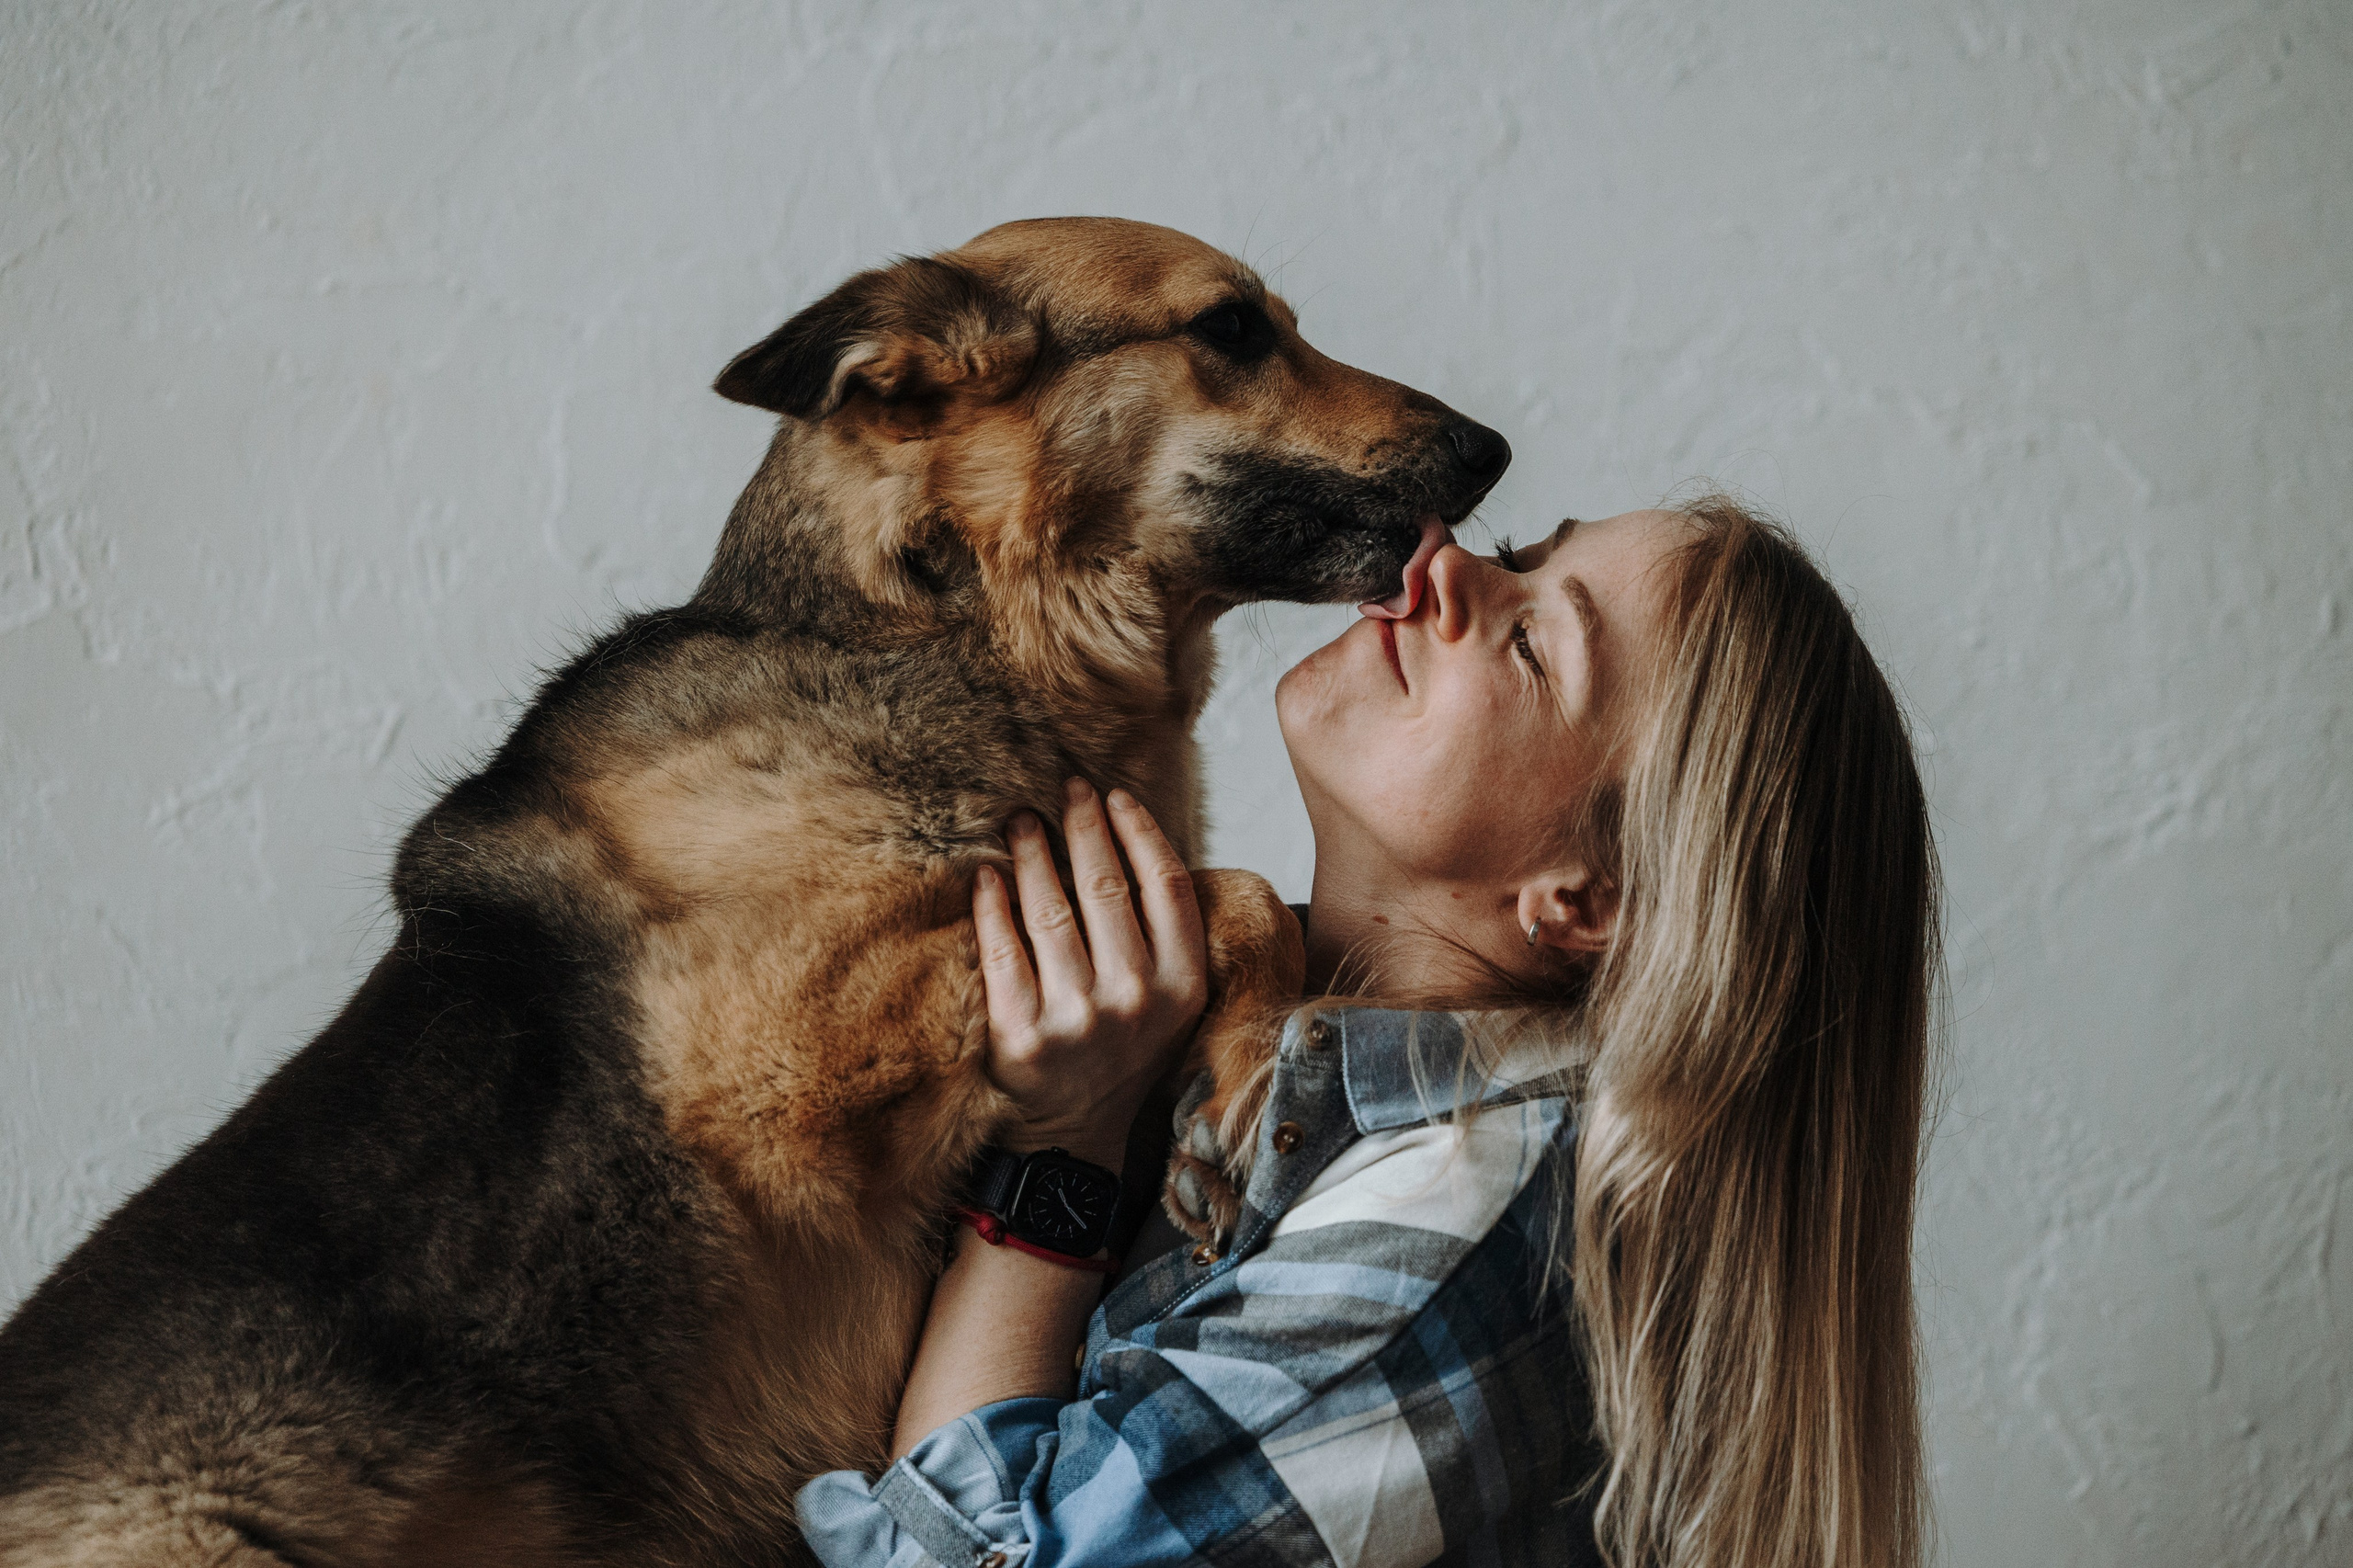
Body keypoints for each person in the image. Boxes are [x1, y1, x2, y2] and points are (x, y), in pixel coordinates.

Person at [799, 498, 1939, 1568]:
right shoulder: (1242, 1046)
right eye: (1521, 556)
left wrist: (1063, 1160)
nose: (1436, 557)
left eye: (1535, 644)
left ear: (1584, 899)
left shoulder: (1475, 1205)